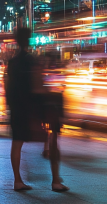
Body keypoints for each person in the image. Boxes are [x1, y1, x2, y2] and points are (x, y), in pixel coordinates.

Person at [5, 27, 68, 192]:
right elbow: (38, 87)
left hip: (17, 108)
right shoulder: (32, 60)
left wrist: (10, 106)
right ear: (29, 39)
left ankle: (18, 180)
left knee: (17, 143)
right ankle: (55, 181)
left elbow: (8, 87)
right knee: (52, 139)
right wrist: (54, 93)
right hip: (34, 108)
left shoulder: (12, 62)